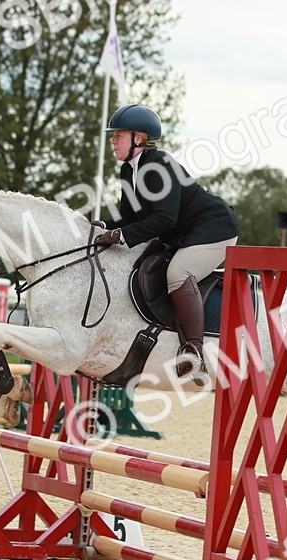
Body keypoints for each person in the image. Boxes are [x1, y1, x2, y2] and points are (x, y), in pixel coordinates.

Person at [92, 103, 239, 383]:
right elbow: (129, 218)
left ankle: (194, 351)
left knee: (178, 273)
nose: (112, 140)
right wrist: (100, 226)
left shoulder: (160, 165)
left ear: (138, 138)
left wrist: (122, 236)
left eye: (118, 135)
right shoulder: (129, 171)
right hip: (183, 234)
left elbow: (165, 219)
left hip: (214, 229)